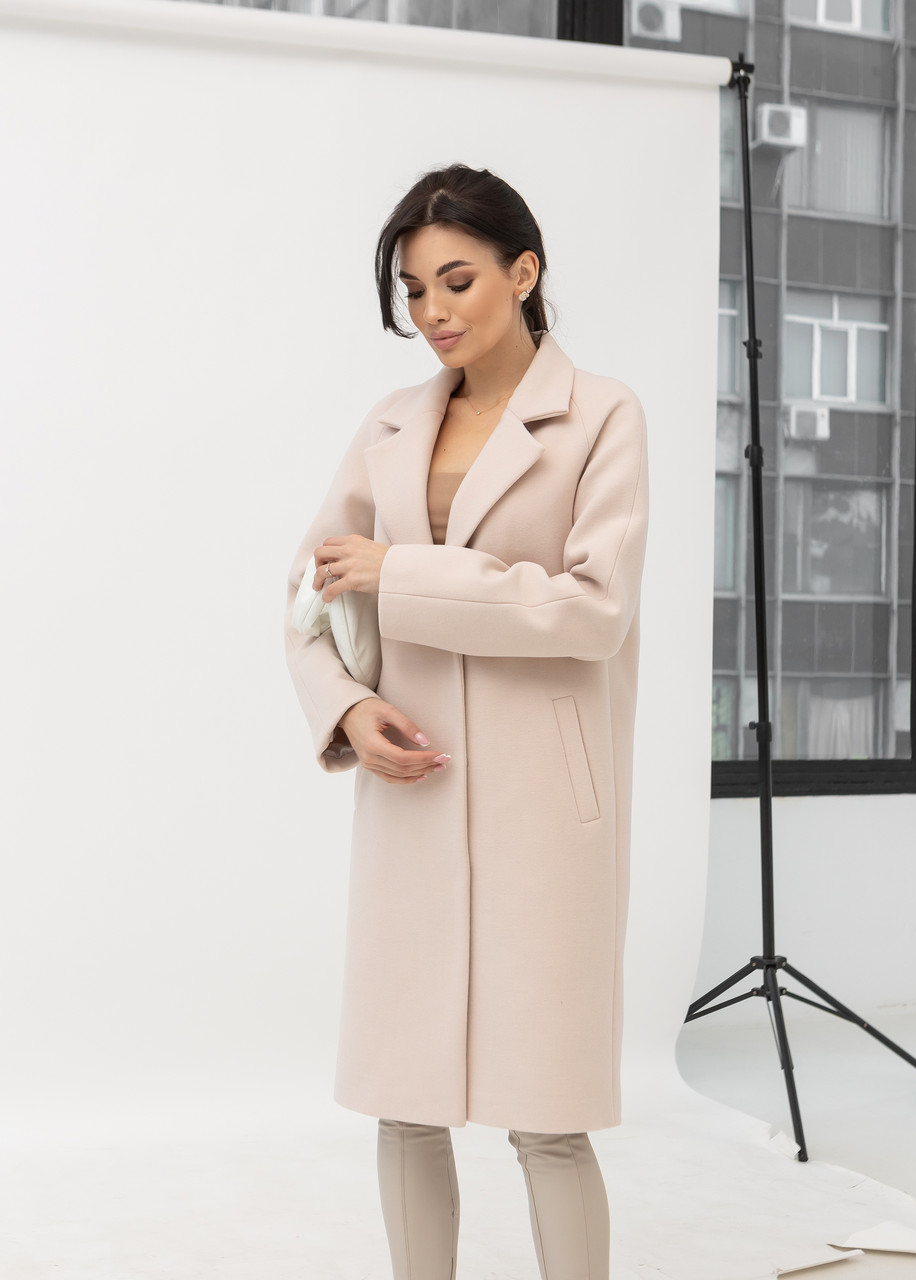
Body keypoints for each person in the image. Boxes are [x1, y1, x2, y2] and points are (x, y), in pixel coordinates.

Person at [284, 164, 649, 1280]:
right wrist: (348, 706)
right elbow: (311, 592)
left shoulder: (602, 415)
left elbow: (593, 610)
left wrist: (402, 573)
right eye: (413, 290)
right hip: (415, 782)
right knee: (404, 1099)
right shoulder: (390, 422)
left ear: (523, 272)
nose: (432, 312)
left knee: (548, 1112)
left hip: (548, 800)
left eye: (456, 281)